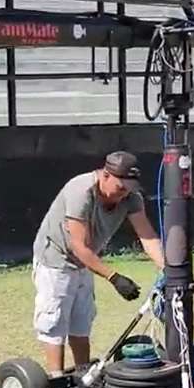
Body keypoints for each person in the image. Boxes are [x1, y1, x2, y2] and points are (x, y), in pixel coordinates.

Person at [31, 150, 166, 375]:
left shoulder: (131, 198)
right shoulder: (80, 191)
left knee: (81, 319)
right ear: (105, 175)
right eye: (120, 188)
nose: (123, 195)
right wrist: (114, 277)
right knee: (54, 320)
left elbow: (147, 236)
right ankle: (56, 382)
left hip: (85, 261)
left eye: (129, 189)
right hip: (56, 259)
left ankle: (83, 373)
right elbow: (78, 246)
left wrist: (166, 268)